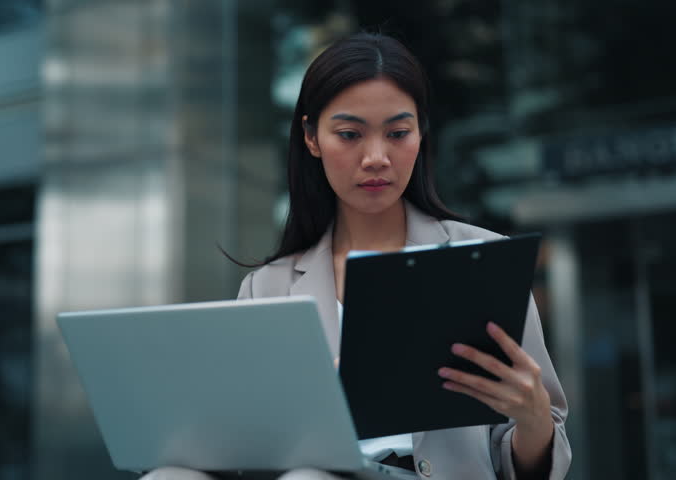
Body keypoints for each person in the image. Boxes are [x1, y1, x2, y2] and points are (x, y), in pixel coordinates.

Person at [143, 32, 571, 480]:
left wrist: (533, 416)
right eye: (350, 135)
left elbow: (539, 461)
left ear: (421, 134)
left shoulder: (481, 259)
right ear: (311, 138)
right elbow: (250, 445)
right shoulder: (268, 286)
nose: (376, 157)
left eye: (398, 133)